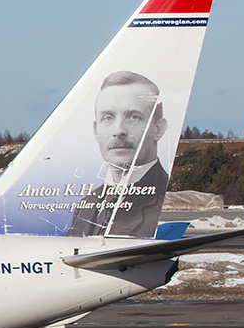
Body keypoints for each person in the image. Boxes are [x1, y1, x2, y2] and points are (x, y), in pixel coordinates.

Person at [66, 70, 169, 238]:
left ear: (158, 128)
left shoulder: (162, 196)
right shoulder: (87, 203)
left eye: (134, 117)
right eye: (108, 118)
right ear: (95, 129)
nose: (119, 131)